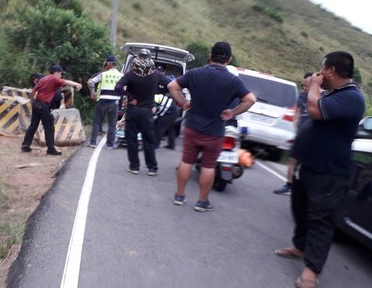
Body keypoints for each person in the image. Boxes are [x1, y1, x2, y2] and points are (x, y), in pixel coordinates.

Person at [274, 51, 365, 288]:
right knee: (301, 210)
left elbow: (315, 110)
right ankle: (299, 247)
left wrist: (313, 85)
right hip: (309, 166)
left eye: (322, 69)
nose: (319, 73)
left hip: (329, 172)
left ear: (331, 71)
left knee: (320, 220)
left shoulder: (352, 96)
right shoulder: (336, 94)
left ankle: (312, 270)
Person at [169, 42, 256, 211]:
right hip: (215, 131)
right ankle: (202, 202)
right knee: (208, 166)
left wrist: (184, 103)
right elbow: (250, 100)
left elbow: (172, 87)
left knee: (186, 161)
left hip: (193, 126)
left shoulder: (195, 73)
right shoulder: (233, 80)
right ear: (228, 59)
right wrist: (232, 113)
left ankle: (179, 195)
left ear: (210, 56)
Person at [114, 49, 168, 176]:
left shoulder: (131, 74)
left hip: (133, 110)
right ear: (150, 59)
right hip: (147, 112)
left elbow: (117, 87)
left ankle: (134, 166)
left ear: (138, 58)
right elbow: (169, 85)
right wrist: (157, 94)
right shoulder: (156, 74)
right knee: (148, 140)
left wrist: (130, 97)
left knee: (131, 139)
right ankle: (152, 168)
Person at [21, 65, 82, 155]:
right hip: (43, 105)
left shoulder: (44, 79)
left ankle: (25, 145)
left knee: (33, 125)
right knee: (49, 125)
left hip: (36, 104)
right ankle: (50, 149)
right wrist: (77, 84)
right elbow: (65, 82)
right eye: (60, 74)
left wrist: (32, 100)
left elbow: (34, 90)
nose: (61, 76)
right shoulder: (54, 79)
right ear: (56, 72)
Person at [273, 71, 314, 195]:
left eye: (307, 86)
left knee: (308, 164)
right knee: (293, 160)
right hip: (301, 133)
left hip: (314, 136)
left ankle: (306, 190)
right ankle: (288, 185)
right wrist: (296, 119)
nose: (304, 88)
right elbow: (297, 109)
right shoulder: (302, 95)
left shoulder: (322, 97)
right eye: (303, 85)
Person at [87, 55, 122, 148]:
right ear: (116, 64)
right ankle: (110, 144)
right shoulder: (121, 76)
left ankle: (93, 142)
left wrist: (92, 92)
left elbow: (90, 82)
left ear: (108, 64)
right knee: (112, 124)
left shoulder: (103, 74)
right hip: (114, 102)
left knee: (97, 122)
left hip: (102, 101)